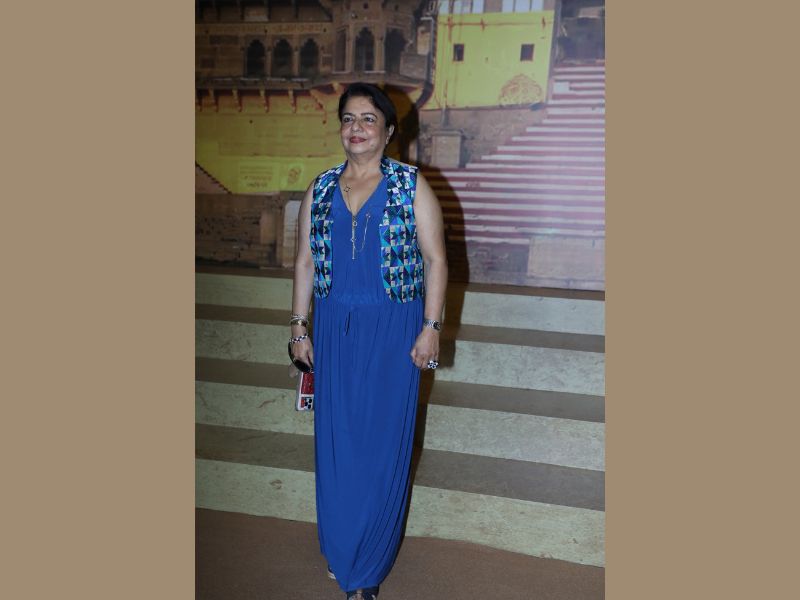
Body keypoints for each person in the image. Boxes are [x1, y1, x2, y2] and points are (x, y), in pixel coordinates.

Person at [289, 82, 448, 600]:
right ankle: (342, 546)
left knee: (381, 443)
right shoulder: (320, 187)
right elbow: (305, 263)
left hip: (394, 327)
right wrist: (299, 326)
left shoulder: (409, 185)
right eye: (348, 118)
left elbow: (436, 260)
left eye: (368, 119)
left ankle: (368, 567)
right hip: (335, 327)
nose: (355, 128)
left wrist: (431, 327)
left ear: (388, 130)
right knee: (337, 442)